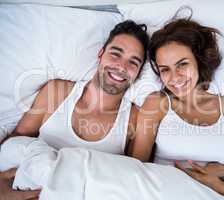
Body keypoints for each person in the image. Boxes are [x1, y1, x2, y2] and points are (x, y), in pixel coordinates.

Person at [0, 20, 149, 200]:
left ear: (139, 72)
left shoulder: (136, 118)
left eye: (133, 62)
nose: (122, 67)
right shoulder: (57, 92)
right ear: (100, 54)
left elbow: (137, 183)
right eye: (116, 54)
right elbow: (15, 141)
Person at [129, 18, 224, 194]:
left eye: (182, 64)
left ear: (198, 61)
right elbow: (136, 168)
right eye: (164, 69)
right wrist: (199, 176)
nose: (174, 77)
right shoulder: (157, 104)